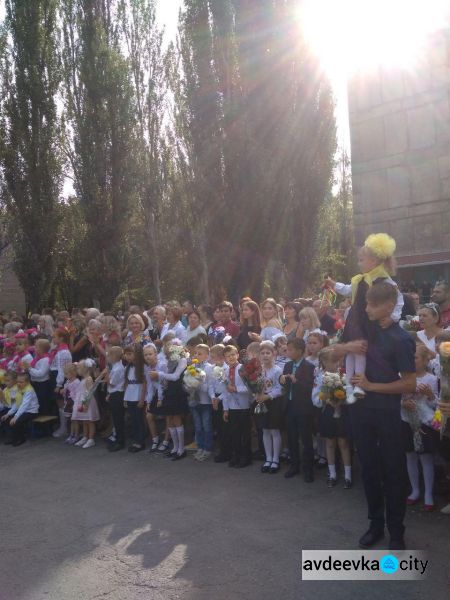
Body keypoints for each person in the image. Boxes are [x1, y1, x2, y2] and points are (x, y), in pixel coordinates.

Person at [348, 282, 416, 550]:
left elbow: (409, 384)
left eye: (372, 305)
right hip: (362, 412)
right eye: (366, 303)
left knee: (393, 472)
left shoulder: (401, 339)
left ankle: (396, 531)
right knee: (368, 471)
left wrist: (372, 386)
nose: (367, 309)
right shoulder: (365, 333)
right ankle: (375, 525)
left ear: (389, 306)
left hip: (388, 415)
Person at [325, 233, 403, 402]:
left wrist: (393, 317)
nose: (359, 263)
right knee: (350, 351)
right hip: (355, 319)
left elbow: (398, 300)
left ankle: (359, 383)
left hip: (369, 321)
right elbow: (347, 289)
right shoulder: (359, 279)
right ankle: (348, 383)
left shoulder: (385, 281)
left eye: (362, 260)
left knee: (359, 350)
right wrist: (334, 285)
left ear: (374, 261)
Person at [401, 344, 438, 511]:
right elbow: (395, 398)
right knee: (410, 456)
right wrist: (403, 402)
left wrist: (430, 395)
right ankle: (415, 490)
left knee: (426, 458)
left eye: (415, 357)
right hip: (406, 420)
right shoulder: (402, 376)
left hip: (424, 422)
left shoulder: (431, 379)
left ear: (424, 360)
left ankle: (428, 493)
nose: (411, 360)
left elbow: (435, 405)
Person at [312, 346, 352, 488]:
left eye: (338, 360)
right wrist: (325, 399)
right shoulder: (320, 376)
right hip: (328, 412)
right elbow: (315, 397)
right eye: (333, 360)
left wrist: (343, 400)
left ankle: (348, 475)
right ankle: (332, 474)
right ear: (324, 362)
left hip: (342, 412)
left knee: (343, 443)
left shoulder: (344, 375)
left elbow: (350, 393)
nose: (337, 363)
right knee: (330, 443)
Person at [281, 338, 316, 482]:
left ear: (300, 351)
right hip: (289, 406)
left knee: (306, 439)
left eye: (290, 350)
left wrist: (297, 382)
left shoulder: (309, 366)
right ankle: (294, 465)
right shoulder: (288, 365)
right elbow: (284, 384)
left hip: (303, 408)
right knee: (292, 437)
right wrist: (281, 379)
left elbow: (310, 388)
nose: (288, 352)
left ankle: (308, 469)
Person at [151, 339, 189, 460]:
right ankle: (175, 448)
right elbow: (167, 378)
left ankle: (181, 449)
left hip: (177, 392)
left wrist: (159, 374)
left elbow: (175, 376)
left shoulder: (182, 360)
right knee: (170, 420)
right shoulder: (169, 361)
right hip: (169, 392)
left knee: (177, 418)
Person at [255, 341, 284, 474]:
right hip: (261, 402)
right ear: (259, 355)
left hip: (273, 403)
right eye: (263, 353)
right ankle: (268, 458)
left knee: (274, 431)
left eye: (268, 353)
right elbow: (253, 385)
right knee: (265, 430)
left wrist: (268, 396)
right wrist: (256, 394)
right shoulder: (258, 369)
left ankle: (276, 459)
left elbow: (280, 389)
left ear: (274, 354)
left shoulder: (277, 370)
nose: (265, 355)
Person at [222, 345, 252, 468]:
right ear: (225, 359)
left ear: (237, 355)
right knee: (234, 433)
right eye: (228, 356)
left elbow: (251, 387)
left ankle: (246, 457)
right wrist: (225, 409)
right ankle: (236, 455)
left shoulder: (243, 369)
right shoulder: (224, 371)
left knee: (245, 432)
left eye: (233, 355)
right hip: (232, 406)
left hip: (244, 406)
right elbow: (225, 391)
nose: (231, 357)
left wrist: (236, 389)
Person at [190, 344, 214, 461]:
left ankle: (207, 449)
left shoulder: (209, 367)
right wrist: (189, 385)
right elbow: (187, 382)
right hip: (194, 401)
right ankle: (200, 447)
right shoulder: (192, 366)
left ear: (207, 356)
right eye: (195, 353)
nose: (197, 355)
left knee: (206, 426)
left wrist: (198, 384)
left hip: (205, 402)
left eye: (200, 354)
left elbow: (209, 386)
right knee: (198, 426)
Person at [209, 344, 231, 464]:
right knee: (218, 426)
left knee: (225, 427)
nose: (211, 360)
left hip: (225, 399)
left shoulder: (227, 369)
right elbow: (211, 385)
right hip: (215, 398)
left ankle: (227, 451)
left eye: (212, 357)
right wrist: (213, 397)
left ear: (220, 357)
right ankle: (222, 450)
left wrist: (219, 398)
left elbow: (228, 388)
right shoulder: (212, 368)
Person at [3, 372, 39, 446]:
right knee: (7, 418)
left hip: (32, 411)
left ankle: (21, 438)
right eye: (18, 382)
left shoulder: (29, 390)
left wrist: (16, 417)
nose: (19, 384)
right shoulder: (20, 388)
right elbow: (17, 403)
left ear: (27, 382)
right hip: (24, 410)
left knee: (17, 421)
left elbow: (24, 405)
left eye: (21, 382)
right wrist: (8, 413)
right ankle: (13, 438)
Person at [71, 359, 101, 449]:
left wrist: (85, 404)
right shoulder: (83, 379)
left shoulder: (88, 379)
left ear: (85, 369)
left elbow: (89, 393)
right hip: (82, 402)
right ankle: (85, 436)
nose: (77, 370)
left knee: (90, 421)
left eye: (79, 368)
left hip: (87, 403)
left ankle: (91, 439)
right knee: (84, 421)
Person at [123, 344, 146, 453]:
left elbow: (144, 384)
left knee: (138, 419)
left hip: (138, 396)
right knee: (133, 419)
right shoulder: (128, 367)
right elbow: (127, 383)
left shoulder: (142, 367)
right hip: (130, 396)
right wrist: (125, 398)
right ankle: (136, 439)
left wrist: (142, 399)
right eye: (126, 354)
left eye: (129, 354)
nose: (127, 356)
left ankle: (140, 441)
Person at [142, 343, 164, 453]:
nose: (148, 357)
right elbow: (150, 385)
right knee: (149, 416)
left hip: (165, 392)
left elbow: (162, 384)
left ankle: (166, 441)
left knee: (168, 417)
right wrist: (149, 401)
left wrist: (160, 399)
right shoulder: (147, 368)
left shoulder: (161, 365)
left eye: (150, 354)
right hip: (155, 393)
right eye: (145, 355)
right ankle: (155, 439)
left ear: (156, 354)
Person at [105, 346, 126, 452]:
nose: (107, 357)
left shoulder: (118, 368)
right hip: (114, 394)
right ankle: (117, 438)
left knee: (118, 419)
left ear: (114, 356)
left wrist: (107, 374)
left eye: (109, 355)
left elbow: (111, 383)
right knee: (115, 418)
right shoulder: (115, 366)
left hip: (118, 394)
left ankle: (120, 441)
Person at [23, 338, 51, 414]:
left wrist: (29, 368)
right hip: (35, 383)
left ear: (41, 349)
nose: (35, 348)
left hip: (42, 384)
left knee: (42, 402)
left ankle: (44, 420)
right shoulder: (37, 358)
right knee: (36, 401)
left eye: (36, 347)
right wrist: (27, 368)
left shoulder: (46, 359)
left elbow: (40, 374)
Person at [61, 363, 82, 445]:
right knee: (71, 420)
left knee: (75, 420)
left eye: (66, 373)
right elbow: (66, 389)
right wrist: (63, 390)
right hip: (69, 402)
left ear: (73, 373)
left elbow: (78, 393)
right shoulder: (68, 381)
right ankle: (72, 434)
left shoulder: (76, 382)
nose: (65, 375)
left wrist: (68, 390)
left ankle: (76, 435)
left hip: (74, 402)